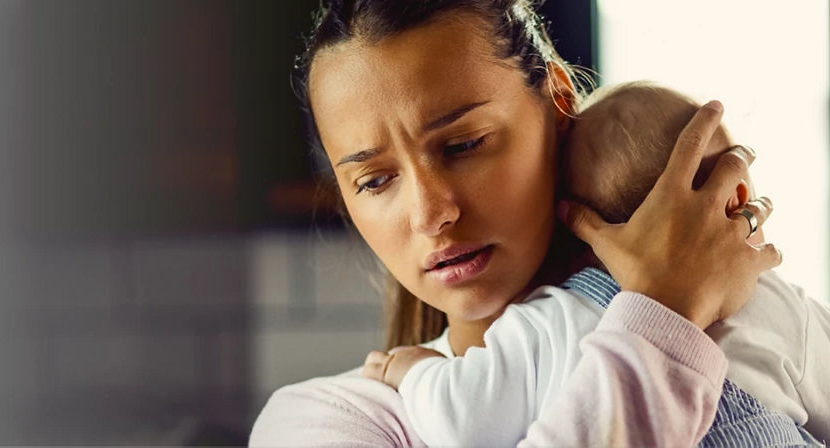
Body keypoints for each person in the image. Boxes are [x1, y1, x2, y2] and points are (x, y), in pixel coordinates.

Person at [249, 0, 784, 445]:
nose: (432, 214)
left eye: (463, 145)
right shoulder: (325, 421)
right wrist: (663, 319)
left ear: (557, 101)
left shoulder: (754, 330)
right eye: (374, 181)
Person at [358, 81, 830, 446]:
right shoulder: (786, 309)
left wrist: (415, 372)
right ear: (738, 197)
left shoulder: (552, 320)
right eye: (375, 179)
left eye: (464, 144)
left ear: (572, 220)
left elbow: (464, 420)